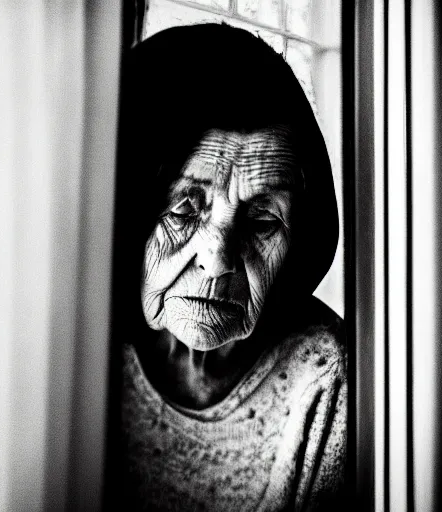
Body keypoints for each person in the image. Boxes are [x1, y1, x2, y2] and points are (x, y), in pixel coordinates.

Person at [110, 23, 346, 511]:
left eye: (262, 221)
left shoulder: (324, 375)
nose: (216, 260)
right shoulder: (70, 354)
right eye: (183, 210)